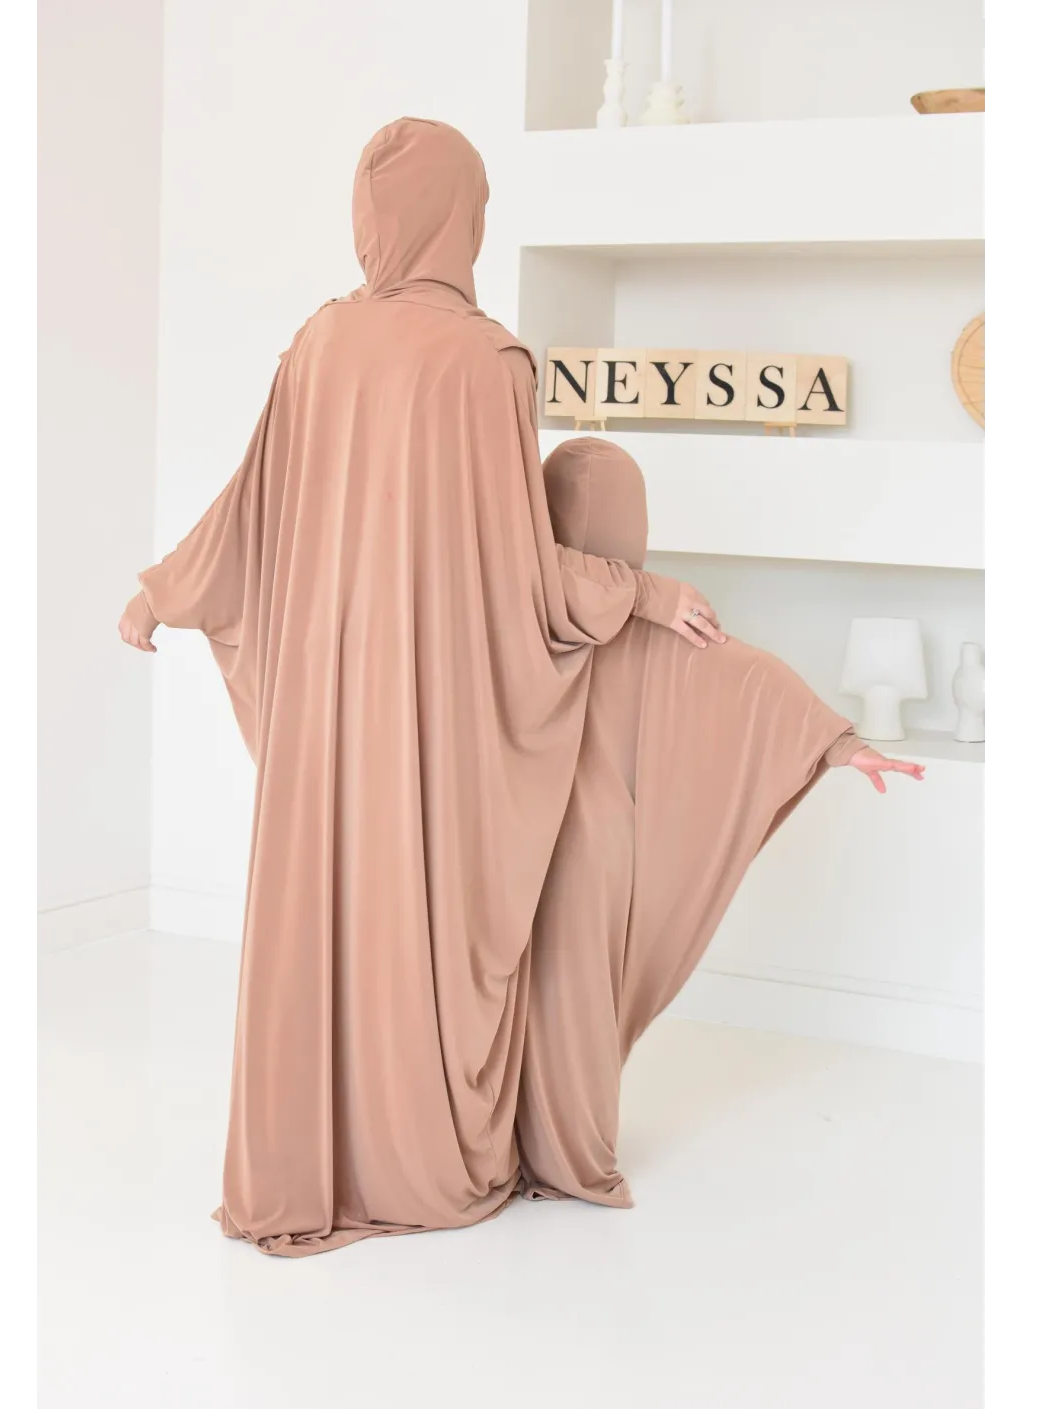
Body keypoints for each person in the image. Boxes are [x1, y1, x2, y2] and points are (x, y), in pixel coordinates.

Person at [117, 120, 717, 1256]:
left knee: (331, 896)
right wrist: (643, 594)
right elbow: (516, 568)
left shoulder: (320, 341)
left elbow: (249, 505)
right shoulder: (488, 362)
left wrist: (163, 590)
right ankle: (419, 1156)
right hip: (433, 700)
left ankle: (317, 1160)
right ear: (464, 218)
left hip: (326, 700)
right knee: (427, 906)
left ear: (372, 216)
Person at [514, 438, 925, 1208]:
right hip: (594, 843)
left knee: (523, 998)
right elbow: (750, 676)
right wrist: (842, 744)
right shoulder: (652, 612)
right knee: (579, 1003)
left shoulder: (517, 606)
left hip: (510, 834)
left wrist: (841, 745)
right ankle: (568, 1154)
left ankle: (517, 1148)